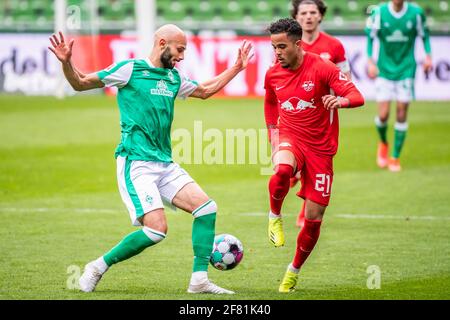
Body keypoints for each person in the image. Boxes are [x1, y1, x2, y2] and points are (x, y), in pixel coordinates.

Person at [48, 24, 253, 294]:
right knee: (157, 230)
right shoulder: (130, 69)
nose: (181, 56)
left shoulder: (173, 77)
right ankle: (97, 266)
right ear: (162, 43)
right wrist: (67, 63)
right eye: (179, 49)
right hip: (136, 163)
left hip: (164, 163)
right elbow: (80, 83)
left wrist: (236, 68)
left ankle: (199, 280)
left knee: (207, 209)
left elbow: (204, 90)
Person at [264, 18, 364, 292]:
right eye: (274, 47)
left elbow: (357, 95)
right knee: (282, 170)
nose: (277, 53)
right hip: (290, 137)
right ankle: (274, 216)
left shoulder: (323, 67)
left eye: (282, 47)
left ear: (298, 44)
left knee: (314, 217)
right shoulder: (273, 73)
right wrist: (273, 132)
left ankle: (293, 271)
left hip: (321, 148)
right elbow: (271, 102)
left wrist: (341, 100)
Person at [291, 0, 352, 227]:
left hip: (323, 119)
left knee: (313, 166)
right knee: (290, 168)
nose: (308, 16)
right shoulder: (288, 44)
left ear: (320, 16)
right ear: (296, 17)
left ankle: (304, 212)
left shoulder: (334, 46)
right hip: (295, 116)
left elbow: (346, 79)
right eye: (303, 12)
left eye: (312, 12)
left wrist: (337, 97)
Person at [366, 0, 432, 172]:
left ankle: (394, 157)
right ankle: (383, 142)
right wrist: (370, 61)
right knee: (383, 115)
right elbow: (370, 38)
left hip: (406, 69)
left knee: (402, 112)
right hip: (384, 70)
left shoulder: (416, 13)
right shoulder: (378, 12)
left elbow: (425, 36)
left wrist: (428, 57)